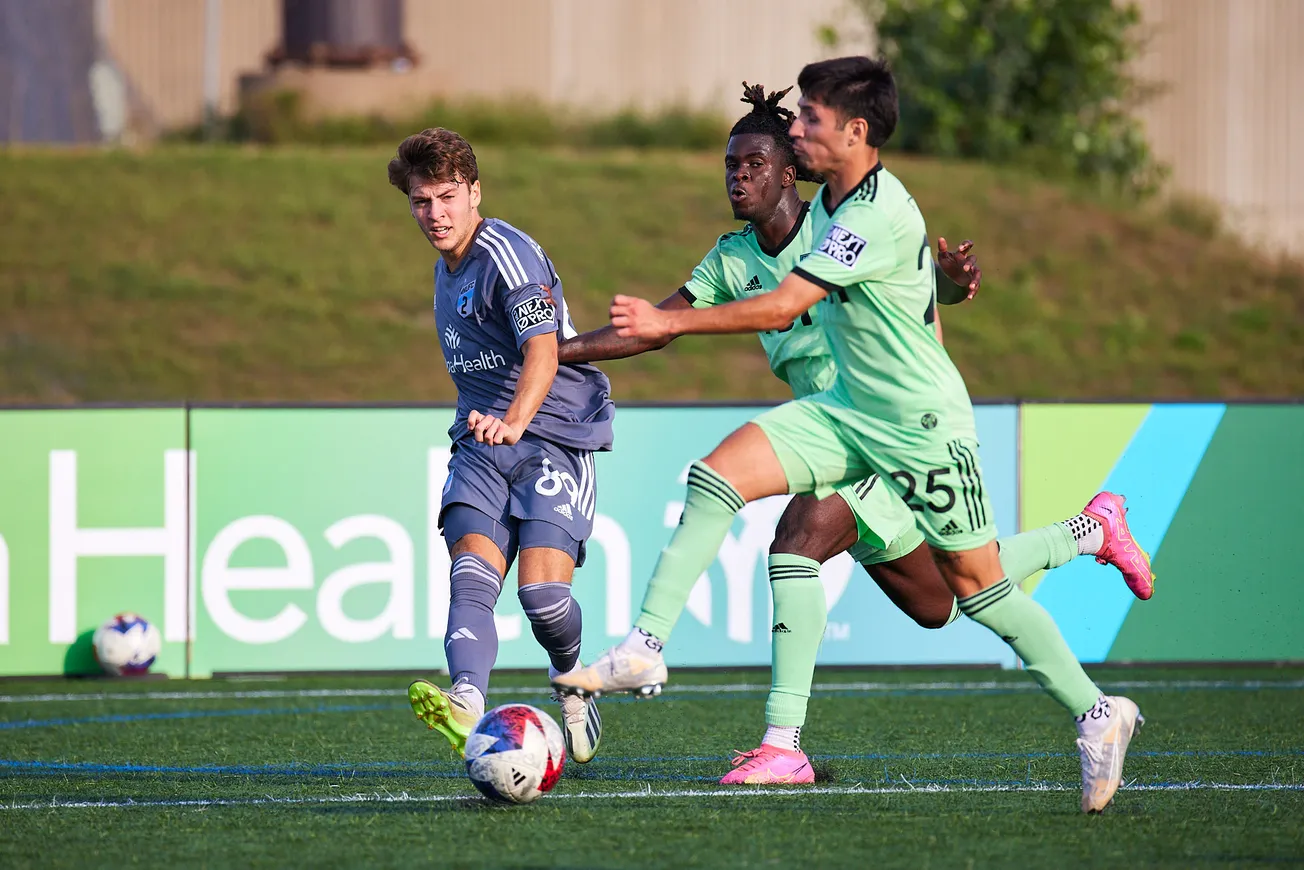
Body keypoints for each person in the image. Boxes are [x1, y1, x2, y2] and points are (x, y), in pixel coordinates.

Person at [554, 60, 1149, 813]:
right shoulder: (825, 209)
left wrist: (669, 319)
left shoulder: (872, 211)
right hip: (844, 412)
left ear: (854, 132)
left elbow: (785, 307)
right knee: (717, 477)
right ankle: (644, 649)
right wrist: (558, 351)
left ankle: (1098, 712)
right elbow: (901, 283)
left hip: (916, 426)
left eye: (808, 119)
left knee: (973, 593)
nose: (796, 129)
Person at [387, 127, 608, 762]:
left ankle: (573, 683)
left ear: (475, 191)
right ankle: (465, 701)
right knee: (471, 577)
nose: (435, 214)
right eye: (422, 201)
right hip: (482, 440)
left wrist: (515, 419)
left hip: (552, 435)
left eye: (448, 196)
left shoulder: (506, 254)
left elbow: (542, 348)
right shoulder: (443, 268)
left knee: (542, 598)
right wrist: (493, 425)